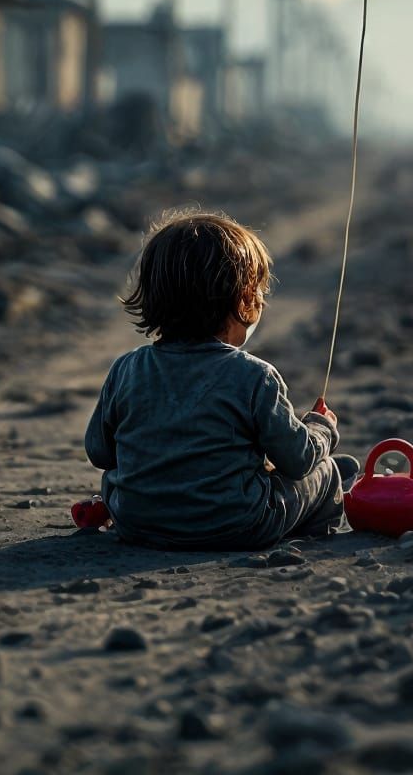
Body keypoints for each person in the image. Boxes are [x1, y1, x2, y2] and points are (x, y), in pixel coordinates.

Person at [83, 210, 352, 550]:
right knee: (325, 471)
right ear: (244, 300)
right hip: (237, 526)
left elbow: (100, 453)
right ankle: (312, 533)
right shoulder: (256, 375)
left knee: (114, 478)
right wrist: (321, 428)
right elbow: (297, 460)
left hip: (137, 524)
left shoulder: (126, 368)